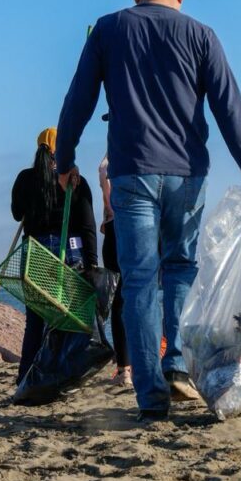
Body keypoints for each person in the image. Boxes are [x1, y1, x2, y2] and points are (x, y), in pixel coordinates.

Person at [54, 0, 241, 422]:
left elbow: (78, 99)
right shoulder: (202, 34)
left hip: (132, 171)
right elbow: (230, 107)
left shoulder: (109, 29)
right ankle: (176, 365)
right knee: (180, 268)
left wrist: (65, 160)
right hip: (187, 174)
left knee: (139, 281)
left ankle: (151, 396)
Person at [10, 127, 98, 383]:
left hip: (35, 253)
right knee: (70, 320)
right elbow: (87, 226)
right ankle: (62, 375)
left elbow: (16, 214)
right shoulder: (75, 180)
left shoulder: (25, 178)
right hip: (68, 253)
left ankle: (26, 377)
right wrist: (92, 262)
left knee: (35, 320)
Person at [98, 151, 132, 386]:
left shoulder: (110, 159)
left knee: (119, 301)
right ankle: (140, 365)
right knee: (140, 297)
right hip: (139, 229)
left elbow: (104, 174)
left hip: (115, 229)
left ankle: (124, 370)